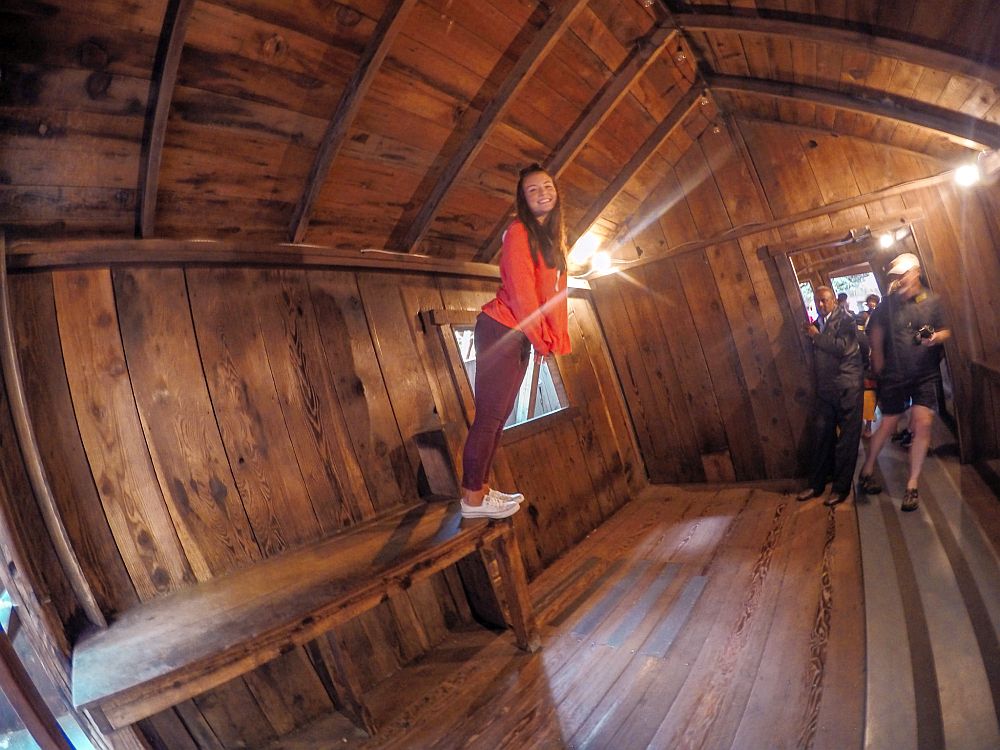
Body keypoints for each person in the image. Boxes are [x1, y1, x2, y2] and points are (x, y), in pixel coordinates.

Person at [459, 164, 571, 519]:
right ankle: (471, 500)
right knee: (489, 416)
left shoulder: (553, 241)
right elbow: (523, 295)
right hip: (501, 328)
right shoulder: (519, 231)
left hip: (520, 334)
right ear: (523, 199)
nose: (542, 192)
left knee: (500, 416)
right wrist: (540, 339)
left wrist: (551, 338)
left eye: (547, 186)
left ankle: (483, 489)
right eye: (532, 189)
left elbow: (555, 296)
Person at [857, 253, 950, 511]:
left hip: (924, 373)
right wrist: (878, 364)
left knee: (923, 424)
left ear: (916, 272)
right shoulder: (887, 305)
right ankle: (866, 471)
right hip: (894, 376)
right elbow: (874, 333)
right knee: (887, 425)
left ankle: (912, 485)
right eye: (897, 276)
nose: (900, 280)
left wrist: (935, 338)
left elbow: (945, 330)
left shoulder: (932, 301)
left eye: (904, 274)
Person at [796, 286, 864, 506]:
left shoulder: (846, 321)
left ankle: (841, 488)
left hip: (847, 386)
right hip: (827, 389)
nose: (821, 305)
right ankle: (816, 485)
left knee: (847, 440)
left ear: (834, 300)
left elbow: (843, 348)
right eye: (817, 301)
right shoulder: (817, 324)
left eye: (824, 300)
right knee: (821, 436)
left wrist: (816, 337)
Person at [859, 294, 880, 438]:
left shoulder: (879, 315)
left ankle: (868, 425)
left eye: (874, 302)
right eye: (870, 301)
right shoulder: (862, 316)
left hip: (874, 362)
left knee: (870, 393)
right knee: (868, 392)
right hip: (866, 361)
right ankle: (866, 425)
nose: (872, 304)